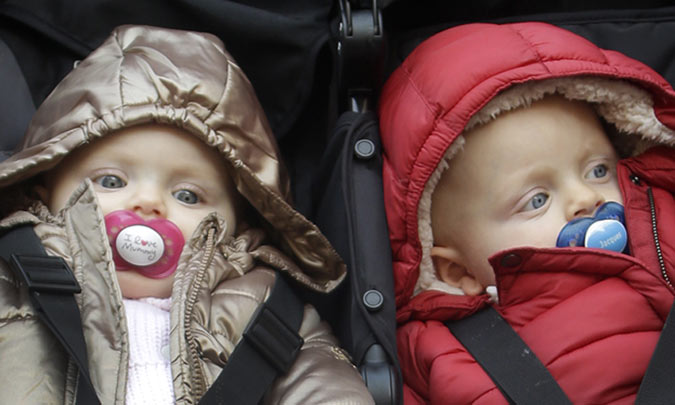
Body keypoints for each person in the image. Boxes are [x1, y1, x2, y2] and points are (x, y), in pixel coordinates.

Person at [0, 25, 374, 404]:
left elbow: (321, 378)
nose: (148, 203)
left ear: (239, 223)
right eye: (111, 181)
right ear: (43, 194)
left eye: (187, 195)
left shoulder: (261, 307)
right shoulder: (10, 280)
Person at [378, 21, 675, 404]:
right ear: (459, 271)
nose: (585, 197)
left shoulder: (662, 224)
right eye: (537, 200)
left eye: (598, 170)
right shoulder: (441, 351)